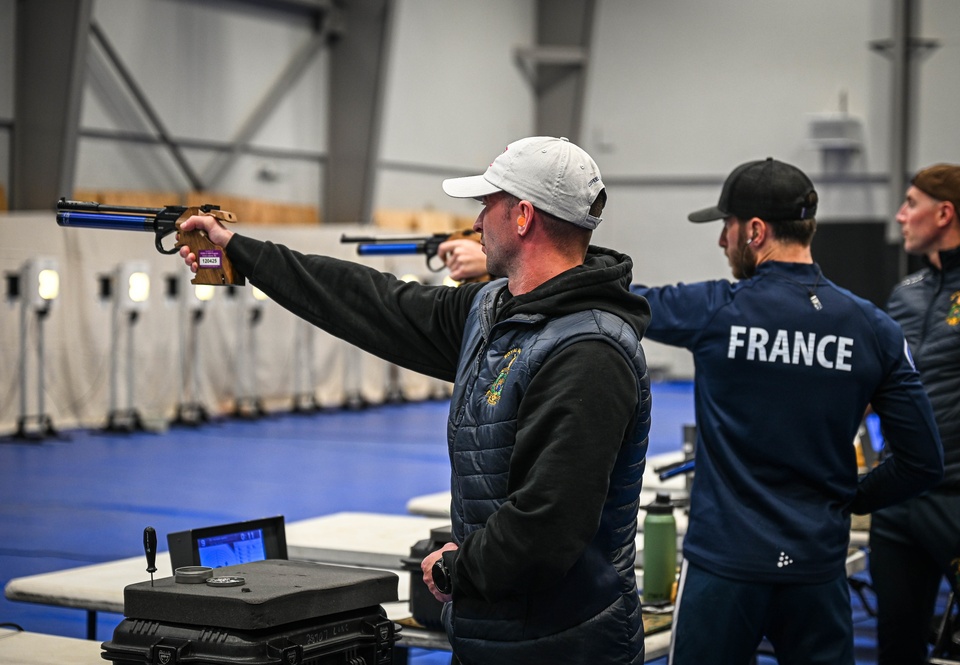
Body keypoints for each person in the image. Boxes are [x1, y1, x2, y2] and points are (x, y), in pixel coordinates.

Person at [178, 136, 653, 665]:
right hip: (497, 629)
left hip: (564, 642)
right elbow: (375, 303)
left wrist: (459, 568)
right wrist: (243, 252)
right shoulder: (494, 308)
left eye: (486, 205)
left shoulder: (589, 351)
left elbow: (548, 524)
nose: (476, 223)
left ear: (522, 216)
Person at [629, 158, 944, 665]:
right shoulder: (874, 328)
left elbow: (622, 300)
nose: (721, 241)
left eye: (726, 227)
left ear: (754, 231)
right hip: (816, 568)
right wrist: (851, 499)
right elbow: (924, 460)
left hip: (724, 568)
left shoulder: (715, 309)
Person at [869, 163, 960, 665]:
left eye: (910, 203)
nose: (900, 216)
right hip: (898, 505)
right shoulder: (906, 293)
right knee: (896, 647)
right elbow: (872, 385)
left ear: (944, 213)